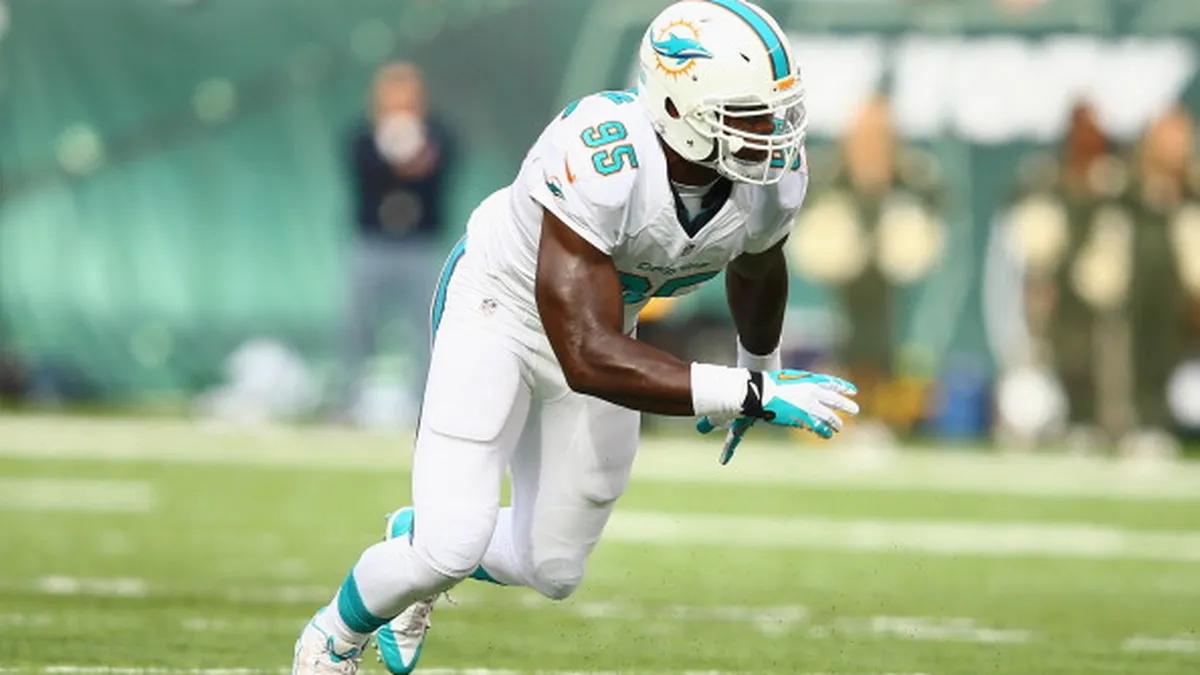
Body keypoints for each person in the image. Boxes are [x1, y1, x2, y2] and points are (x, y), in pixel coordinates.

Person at [291, 1, 859, 672]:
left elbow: (758, 265)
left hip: (604, 331)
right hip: (500, 313)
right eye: (748, 115)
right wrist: (747, 392)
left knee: (554, 568)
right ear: (678, 108)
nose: (772, 134)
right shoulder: (601, 154)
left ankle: (415, 539)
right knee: (451, 546)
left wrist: (760, 363)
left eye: (776, 112)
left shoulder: (772, 183)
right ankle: (332, 637)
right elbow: (585, 356)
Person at [335, 62, 455, 424]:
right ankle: (347, 400)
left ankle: (430, 405)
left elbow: (444, 167)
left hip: (420, 245)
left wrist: (419, 157)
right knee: (357, 323)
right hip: (373, 243)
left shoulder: (439, 137)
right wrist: (393, 158)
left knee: (429, 325)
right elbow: (361, 170)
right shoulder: (361, 138)